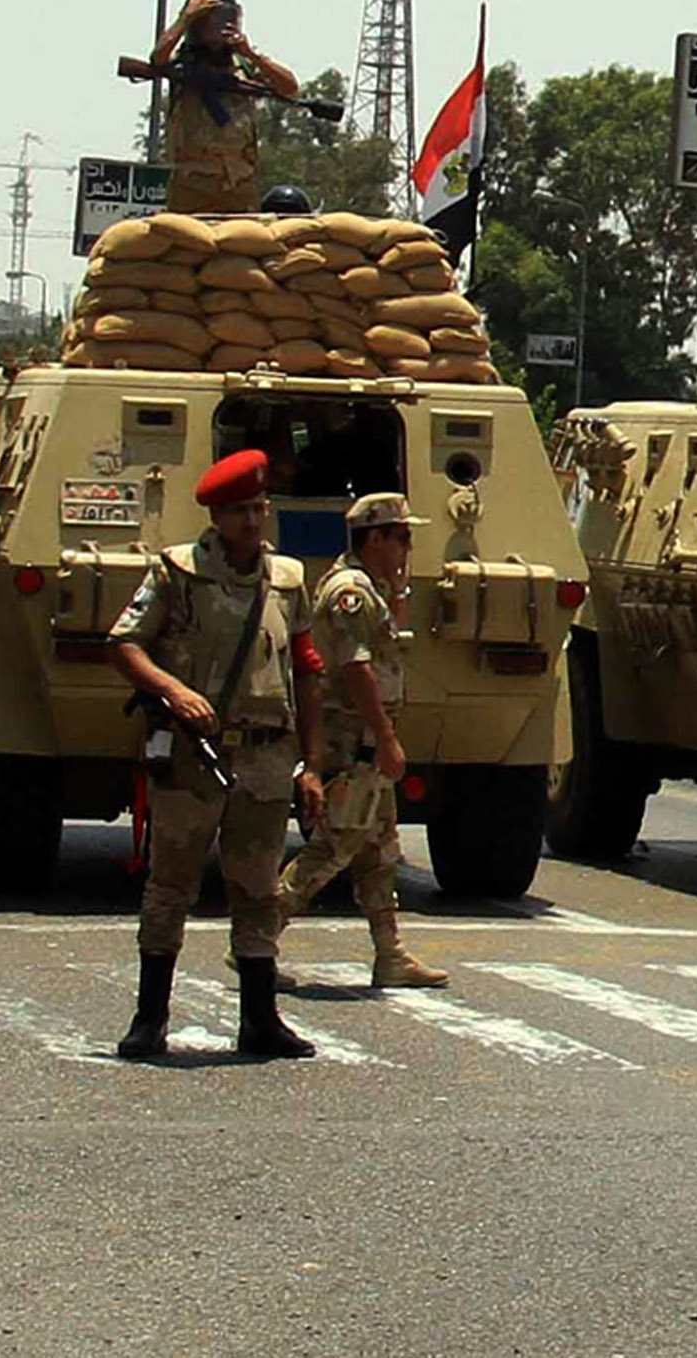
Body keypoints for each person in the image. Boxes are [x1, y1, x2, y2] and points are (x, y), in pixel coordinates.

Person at [106, 449, 329, 1061]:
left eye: (258, 508)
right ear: (216, 516)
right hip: (193, 755)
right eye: (239, 511)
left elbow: (307, 671)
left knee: (258, 890)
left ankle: (260, 1020)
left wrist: (312, 764)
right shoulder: (178, 573)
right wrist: (174, 692)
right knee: (171, 886)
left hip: (266, 755)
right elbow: (125, 644)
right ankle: (150, 1018)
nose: (252, 521)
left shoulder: (287, 580)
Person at [276, 493, 449, 989]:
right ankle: (258, 936)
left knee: (379, 850)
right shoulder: (350, 592)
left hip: (367, 741)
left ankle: (389, 953)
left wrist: (397, 593)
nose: (409, 547)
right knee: (336, 844)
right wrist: (387, 738)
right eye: (402, 538)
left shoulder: (372, 589)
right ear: (375, 539)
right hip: (352, 741)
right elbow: (356, 669)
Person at [150, 0, 299, 216]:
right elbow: (157, 58)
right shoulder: (181, 63)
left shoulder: (243, 66)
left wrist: (251, 54)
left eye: (226, 21)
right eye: (210, 23)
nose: (219, 31)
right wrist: (183, 20)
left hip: (239, 183)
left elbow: (289, 86)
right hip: (191, 184)